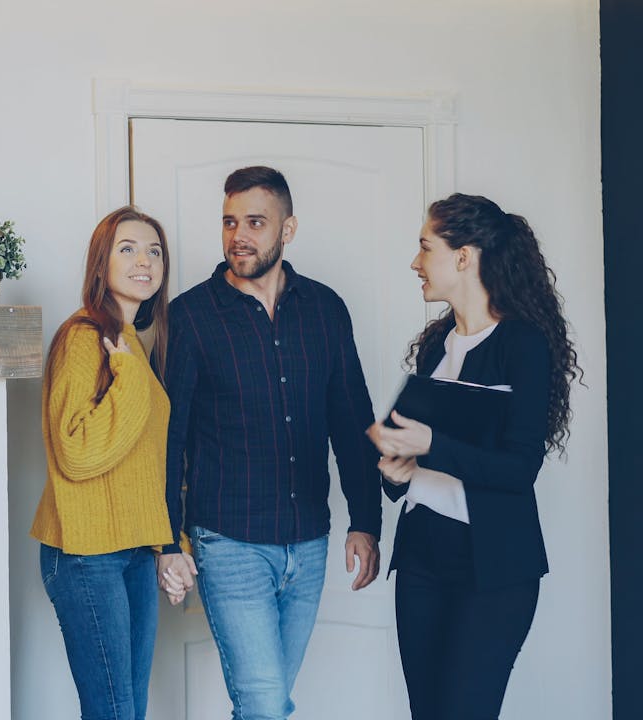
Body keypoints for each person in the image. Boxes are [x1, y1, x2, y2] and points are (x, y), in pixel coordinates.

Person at [158, 166, 382, 720]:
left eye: (256, 222)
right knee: (263, 704)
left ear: (288, 228)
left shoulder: (326, 310)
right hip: (228, 541)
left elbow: (353, 420)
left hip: (308, 543)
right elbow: (170, 436)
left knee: (267, 704)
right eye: (230, 221)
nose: (240, 235)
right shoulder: (190, 316)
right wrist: (167, 540)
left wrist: (366, 520)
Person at [366, 193, 581, 719]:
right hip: (421, 556)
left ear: (464, 256)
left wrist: (431, 447)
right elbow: (414, 471)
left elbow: (518, 469)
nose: (415, 263)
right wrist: (397, 471)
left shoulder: (522, 344)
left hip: (492, 569)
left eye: (425, 247)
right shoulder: (435, 345)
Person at [30, 206, 176, 720]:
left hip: (132, 549)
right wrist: (131, 376)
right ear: (101, 264)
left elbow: (141, 462)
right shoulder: (84, 337)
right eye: (128, 248)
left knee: (127, 711)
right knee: (113, 713)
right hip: (88, 553)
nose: (145, 261)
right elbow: (78, 452)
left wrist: (165, 546)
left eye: (154, 251)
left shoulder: (130, 341)